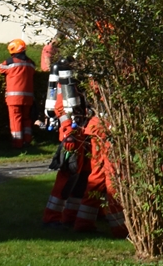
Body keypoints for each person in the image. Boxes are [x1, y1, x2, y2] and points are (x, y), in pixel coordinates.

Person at [74, 106, 128, 239]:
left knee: (97, 175)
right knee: (114, 176)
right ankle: (120, 228)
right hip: (109, 127)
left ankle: (84, 222)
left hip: (98, 125)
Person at [43, 99, 89, 227]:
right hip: (73, 134)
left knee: (81, 177)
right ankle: (51, 217)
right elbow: (61, 106)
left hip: (81, 132)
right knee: (68, 175)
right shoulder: (65, 86)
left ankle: (70, 216)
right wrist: (69, 132)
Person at [0, 38, 38, 149]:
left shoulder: (10, 62)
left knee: (16, 120)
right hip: (28, 98)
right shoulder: (31, 63)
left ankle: (17, 143)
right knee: (27, 119)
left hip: (14, 98)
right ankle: (27, 141)